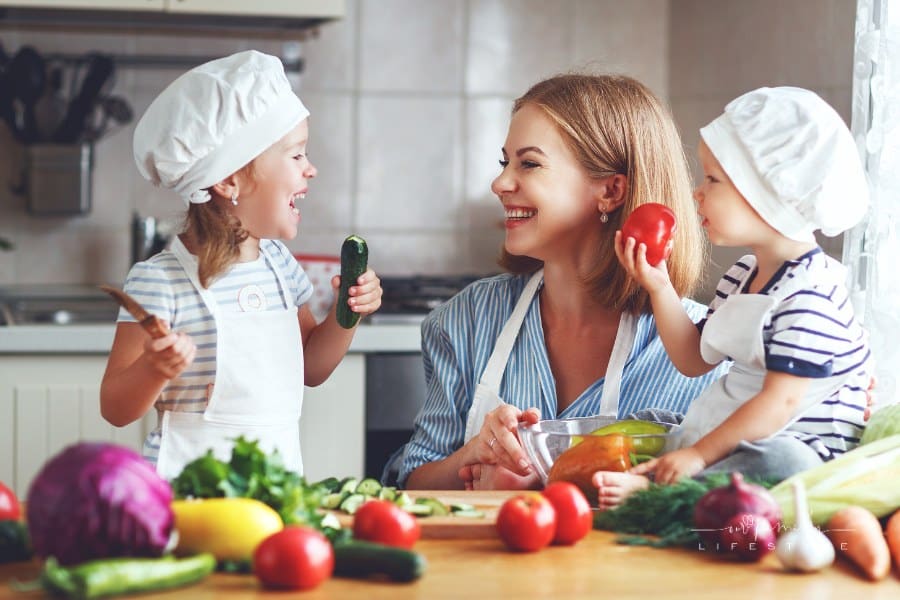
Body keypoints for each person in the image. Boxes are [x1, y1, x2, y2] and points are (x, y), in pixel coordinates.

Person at [388, 73, 729, 490]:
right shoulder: (467, 320)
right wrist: (473, 455)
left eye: (529, 164)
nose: (499, 183)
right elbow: (412, 481)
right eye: (505, 163)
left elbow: (730, 503)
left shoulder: (712, 351)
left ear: (611, 191)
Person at [99, 50, 382, 480]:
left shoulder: (279, 266)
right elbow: (115, 408)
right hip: (186, 494)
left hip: (273, 490)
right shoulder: (161, 281)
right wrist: (153, 369)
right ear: (229, 180)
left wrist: (348, 313)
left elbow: (310, 368)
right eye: (296, 155)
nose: (311, 169)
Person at [596, 86, 872, 508]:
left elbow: (780, 404)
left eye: (713, 180)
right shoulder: (744, 275)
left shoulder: (811, 295)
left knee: (784, 461)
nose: (697, 192)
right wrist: (659, 285)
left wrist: (697, 455)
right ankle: (644, 473)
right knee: (649, 421)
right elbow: (693, 359)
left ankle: (665, 492)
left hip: (796, 447)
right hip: (741, 432)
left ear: (768, 193)